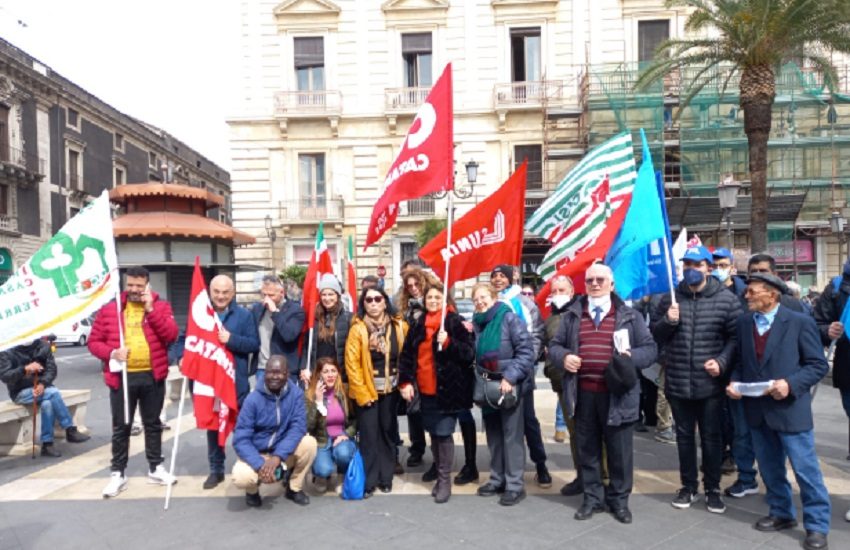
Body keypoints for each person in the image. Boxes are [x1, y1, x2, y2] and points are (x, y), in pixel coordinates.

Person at [728, 273, 830, 550]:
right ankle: (781, 513)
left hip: (790, 410)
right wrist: (735, 382)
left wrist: (791, 384)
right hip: (757, 410)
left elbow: (817, 365)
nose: (746, 296)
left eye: (751, 292)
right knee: (770, 469)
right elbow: (741, 361)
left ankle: (817, 525)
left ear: (772, 295)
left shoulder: (800, 322)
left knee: (806, 471)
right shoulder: (744, 322)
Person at [548, 264, 657, 524]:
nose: (595, 284)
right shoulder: (573, 315)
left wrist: (632, 357)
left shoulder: (629, 315)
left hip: (618, 395)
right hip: (584, 393)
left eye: (600, 279)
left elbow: (650, 349)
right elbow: (553, 345)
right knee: (588, 450)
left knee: (619, 453)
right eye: (590, 280)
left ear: (611, 284)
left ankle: (619, 501)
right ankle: (592, 499)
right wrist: (564, 357)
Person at [652, 246, 741, 514]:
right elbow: (655, 334)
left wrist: (722, 362)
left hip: (710, 384)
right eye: (687, 264)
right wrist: (668, 321)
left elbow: (736, 338)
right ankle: (687, 486)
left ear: (709, 268)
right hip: (678, 381)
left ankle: (712, 488)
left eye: (697, 264)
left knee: (712, 438)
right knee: (684, 438)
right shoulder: (670, 297)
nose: (692, 269)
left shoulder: (726, 300)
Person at [88, 266, 179, 497]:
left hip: (152, 375)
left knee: (153, 423)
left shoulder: (161, 306)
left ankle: (155, 467)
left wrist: (150, 310)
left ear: (147, 285)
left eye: (139, 286)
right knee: (121, 426)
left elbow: (171, 335)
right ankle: (117, 473)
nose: (134, 290)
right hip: (122, 377)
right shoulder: (111, 309)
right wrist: (111, 353)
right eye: (130, 285)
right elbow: (94, 341)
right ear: (125, 284)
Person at [399, 281, 475, 503]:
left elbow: (468, 353)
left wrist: (449, 342)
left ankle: (444, 480)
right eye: (429, 298)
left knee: (444, 434)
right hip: (424, 390)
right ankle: (439, 471)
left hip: (447, 390)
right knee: (433, 432)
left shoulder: (453, 322)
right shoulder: (419, 323)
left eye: (437, 298)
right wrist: (405, 382)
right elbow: (407, 356)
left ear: (445, 301)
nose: (433, 301)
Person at [471, 282, 535, 506]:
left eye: (483, 297)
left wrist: (510, 376)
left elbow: (527, 351)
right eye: (476, 299)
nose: (480, 302)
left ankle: (515, 485)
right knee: (494, 437)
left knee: (512, 437)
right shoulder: (478, 324)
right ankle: (497, 479)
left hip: (507, 386)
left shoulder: (509, 318)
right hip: (487, 387)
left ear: (493, 297)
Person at [489, 264, 551, 488]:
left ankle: (541, 464)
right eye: (494, 277)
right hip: (496, 375)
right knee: (500, 425)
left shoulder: (524, 303)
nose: (497, 280)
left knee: (527, 420)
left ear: (510, 279)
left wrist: (525, 364)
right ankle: (505, 470)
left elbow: (536, 335)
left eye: (501, 276)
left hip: (521, 373)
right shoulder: (490, 302)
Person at [345, 286, 408, 497]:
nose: (373, 303)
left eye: (377, 299)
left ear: (384, 301)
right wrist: (361, 393)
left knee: (388, 434)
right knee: (370, 437)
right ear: (363, 304)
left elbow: (407, 355)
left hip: (391, 390)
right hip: (368, 391)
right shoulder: (358, 328)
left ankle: (386, 477)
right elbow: (352, 364)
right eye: (368, 300)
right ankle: (370, 480)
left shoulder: (399, 326)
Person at [232, 355, 317, 507]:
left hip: (281, 452)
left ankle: (294, 488)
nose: (274, 376)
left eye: (279, 372)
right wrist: (261, 465)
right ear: (264, 373)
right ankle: (252, 492)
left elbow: (298, 428)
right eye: (270, 372)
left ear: (287, 374)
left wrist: (277, 457)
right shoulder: (252, 400)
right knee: (241, 477)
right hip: (257, 453)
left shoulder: (296, 394)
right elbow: (240, 439)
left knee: (309, 443)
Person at [200, 274, 259, 489]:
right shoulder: (201, 314)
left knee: (243, 429)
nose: (221, 296)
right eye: (217, 292)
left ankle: (247, 466)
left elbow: (254, 344)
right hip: (211, 384)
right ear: (210, 292)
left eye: (225, 292)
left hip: (236, 384)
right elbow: (185, 339)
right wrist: (180, 357)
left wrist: (231, 340)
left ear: (232, 293)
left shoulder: (244, 316)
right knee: (214, 428)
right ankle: (216, 470)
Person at [0, 337, 90, 457]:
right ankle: (70, 429)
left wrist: (42, 384)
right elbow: (6, 376)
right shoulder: (7, 350)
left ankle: (47, 444)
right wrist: (25, 369)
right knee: (53, 393)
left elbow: (52, 370)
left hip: (44, 387)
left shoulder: (43, 346)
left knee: (48, 403)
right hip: (20, 392)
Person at [542, 274, 588, 496]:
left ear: (571, 291)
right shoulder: (551, 318)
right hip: (561, 382)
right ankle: (582, 476)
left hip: (583, 382)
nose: (558, 295)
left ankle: (602, 477)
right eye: (554, 291)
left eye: (562, 290)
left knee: (591, 432)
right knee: (574, 433)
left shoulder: (581, 313)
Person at [396, 266, 433, 470]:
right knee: (413, 410)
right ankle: (417, 449)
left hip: (431, 365)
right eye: (409, 285)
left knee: (433, 411)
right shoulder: (405, 310)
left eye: (416, 284)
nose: (413, 288)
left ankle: (438, 452)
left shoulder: (433, 304)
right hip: (411, 364)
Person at [305, 356, 357, 494]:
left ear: (338, 373)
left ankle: (342, 474)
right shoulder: (310, 394)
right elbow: (308, 426)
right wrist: (318, 402)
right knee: (324, 469)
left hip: (341, 437)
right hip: (322, 441)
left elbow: (356, 419)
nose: (330, 375)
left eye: (333, 371)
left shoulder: (345, 391)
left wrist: (346, 434)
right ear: (319, 374)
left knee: (343, 454)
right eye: (326, 371)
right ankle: (320, 475)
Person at [250, 274, 305, 385]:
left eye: (271, 295)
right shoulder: (257, 309)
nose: (266, 299)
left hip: (284, 370)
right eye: (263, 295)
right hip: (262, 369)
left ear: (282, 293)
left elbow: (289, 335)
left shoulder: (295, 310)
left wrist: (275, 312)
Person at [299, 274, 353, 384]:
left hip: (339, 376)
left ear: (337, 295)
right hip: (317, 374)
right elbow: (306, 346)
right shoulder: (313, 318)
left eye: (331, 294)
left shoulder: (348, 318)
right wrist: (304, 367)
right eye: (324, 294)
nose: (327, 298)